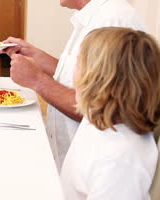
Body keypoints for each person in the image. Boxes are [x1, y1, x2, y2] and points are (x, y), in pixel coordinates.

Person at [0, 0, 146, 169]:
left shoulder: (113, 23)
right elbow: (83, 79)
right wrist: (35, 55)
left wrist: (37, 81)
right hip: (71, 159)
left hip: (90, 169)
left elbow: (97, 107)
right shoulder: (96, 15)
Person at [61, 27, 160, 199]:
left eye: (78, 65)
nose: (73, 76)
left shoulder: (119, 160)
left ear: (101, 82)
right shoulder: (96, 119)